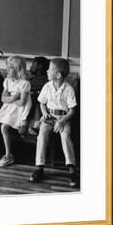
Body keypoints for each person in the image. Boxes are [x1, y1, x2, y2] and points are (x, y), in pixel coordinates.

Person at [29, 58, 79, 187]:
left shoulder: (68, 89)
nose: (47, 70)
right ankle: (39, 167)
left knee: (65, 137)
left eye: (50, 69)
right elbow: (42, 103)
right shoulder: (47, 86)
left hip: (63, 119)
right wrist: (44, 113)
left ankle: (72, 168)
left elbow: (72, 111)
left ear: (58, 75)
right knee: (42, 135)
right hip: (49, 117)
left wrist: (62, 121)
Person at [0, 56, 32, 167]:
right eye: (7, 68)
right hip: (7, 107)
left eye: (10, 68)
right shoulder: (7, 81)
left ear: (18, 69)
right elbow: (3, 99)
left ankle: (9, 155)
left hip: (18, 110)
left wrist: (10, 98)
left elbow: (22, 102)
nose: (7, 70)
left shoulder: (25, 83)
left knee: (4, 127)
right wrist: (14, 98)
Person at [27, 56, 50, 135]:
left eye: (33, 64)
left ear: (40, 66)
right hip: (29, 105)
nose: (31, 66)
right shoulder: (31, 79)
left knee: (37, 98)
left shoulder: (46, 81)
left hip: (39, 106)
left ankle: (35, 124)